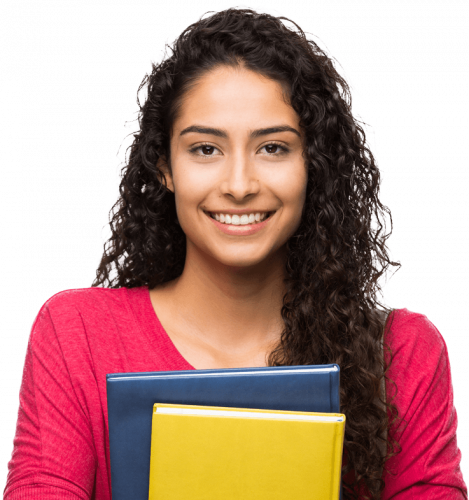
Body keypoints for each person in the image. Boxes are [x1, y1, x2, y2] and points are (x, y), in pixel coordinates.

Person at [3, 5, 467, 500]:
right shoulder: (76, 334)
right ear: (165, 166)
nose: (240, 186)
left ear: (313, 165)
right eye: (206, 149)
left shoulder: (400, 352)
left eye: (273, 148)